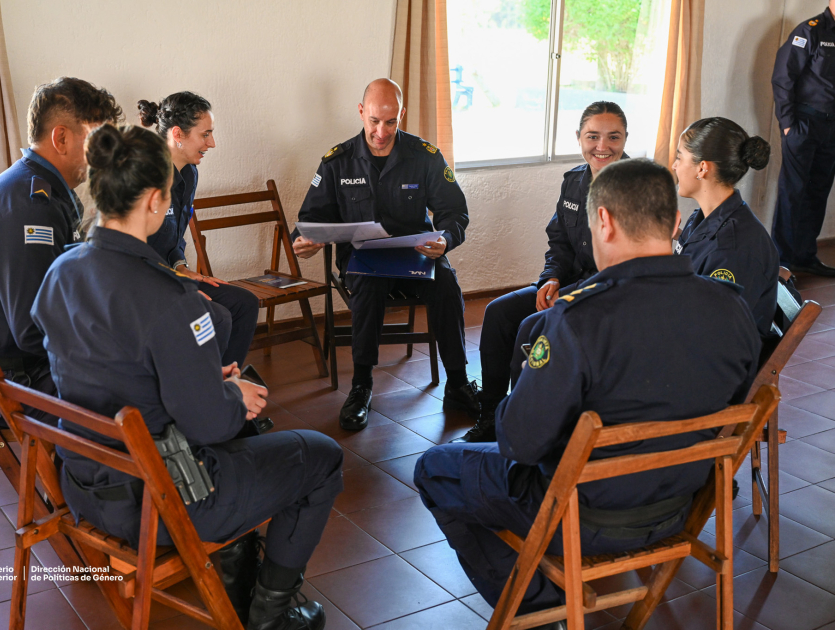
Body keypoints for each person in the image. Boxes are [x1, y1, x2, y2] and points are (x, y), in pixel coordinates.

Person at [414, 159, 760, 626]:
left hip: (582, 519)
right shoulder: (733, 309)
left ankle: (536, 610)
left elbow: (519, 443)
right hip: (681, 508)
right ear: (676, 223)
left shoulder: (577, 321)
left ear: (603, 221)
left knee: (436, 469)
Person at [31, 123, 341, 630]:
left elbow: (105, 367)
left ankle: (237, 576)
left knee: (246, 439)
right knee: (320, 458)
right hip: (157, 500)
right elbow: (210, 425)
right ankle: (272, 615)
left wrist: (198, 376)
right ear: (154, 200)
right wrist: (232, 395)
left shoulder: (62, 270)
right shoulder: (172, 299)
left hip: (85, 483)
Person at [293, 78, 477, 431]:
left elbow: (456, 213)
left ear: (401, 115)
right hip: (362, 258)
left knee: (447, 284)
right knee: (367, 285)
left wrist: (445, 241)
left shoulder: (425, 157)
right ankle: (361, 386)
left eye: (391, 122)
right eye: (374, 121)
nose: (381, 131)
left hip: (416, 254)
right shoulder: (337, 162)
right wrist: (304, 241)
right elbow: (310, 218)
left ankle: (457, 382)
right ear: (362, 112)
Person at [0, 77, 122, 426]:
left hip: (21, 366)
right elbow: (32, 331)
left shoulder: (42, 190)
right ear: (61, 138)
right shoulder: (28, 204)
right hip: (13, 381)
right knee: (145, 392)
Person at [457, 102, 628, 443]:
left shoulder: (636, 187)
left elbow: (625, 263)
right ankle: (491, 413)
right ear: (579, 138)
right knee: (499, 313)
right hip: (566, 282)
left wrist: (567, 293)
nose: (602, 146)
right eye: (593, 136)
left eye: (613, 137)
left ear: (626, 139)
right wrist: (551, 278)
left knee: (530, 327)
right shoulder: (574, 181)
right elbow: (560, 240)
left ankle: (528, 423)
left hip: (607, 295)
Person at [137, 92, 260, 368]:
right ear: (178, 134)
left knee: (244, 303)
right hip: (144, 287)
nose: (212, 143)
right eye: (205, 135)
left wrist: (181, 265)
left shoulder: (189, 173)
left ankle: (227, 385)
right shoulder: (143, 176)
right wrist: (176, 284)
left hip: (171, 275)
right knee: (218, 316)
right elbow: (131, 254)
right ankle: (205, 394)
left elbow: (174, 236)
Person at [673, 117, 778, 337]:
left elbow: (709, 331)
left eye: (679, 157)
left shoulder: (733, 248)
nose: (674, 166)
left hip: (714, 362)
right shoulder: (705, 217)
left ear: (702, 168)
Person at [771, 0, 835, 277]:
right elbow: (783, 78)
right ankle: (782, 261)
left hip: (832, 128)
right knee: (793, 191)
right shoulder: (811, 30)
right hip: (805, 123)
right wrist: (788, 125)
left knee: (818, 190)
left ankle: (805, 255)